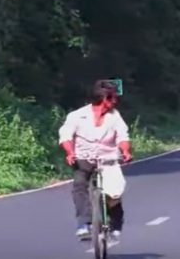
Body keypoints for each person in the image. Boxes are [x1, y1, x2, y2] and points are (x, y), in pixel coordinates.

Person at [58, 80, 132, 240]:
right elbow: (66, 136)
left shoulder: (115, 116)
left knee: (115, 192)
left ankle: (116, 223)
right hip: (84, 157)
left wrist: (125, 151)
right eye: (112, 98)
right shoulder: (77, 116)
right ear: (104, 99)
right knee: (79, 185)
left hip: (108, 158)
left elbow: (122, 136)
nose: (115, 101)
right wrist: (70, 153)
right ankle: (84, 223)